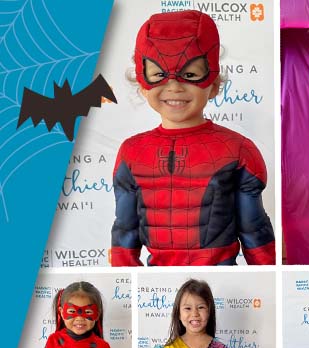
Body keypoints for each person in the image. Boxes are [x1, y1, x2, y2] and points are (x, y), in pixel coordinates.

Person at [111, 10, 275, 266]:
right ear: (142, 85)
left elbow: (255, 230)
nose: (174, 86)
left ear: (214, 84)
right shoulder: (130, 152)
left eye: (190, 75)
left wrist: (267, 284)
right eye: (158, 75)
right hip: (156, 290)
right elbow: (124, 232)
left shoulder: (239, 150)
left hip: (223, 285)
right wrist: (131, 289)